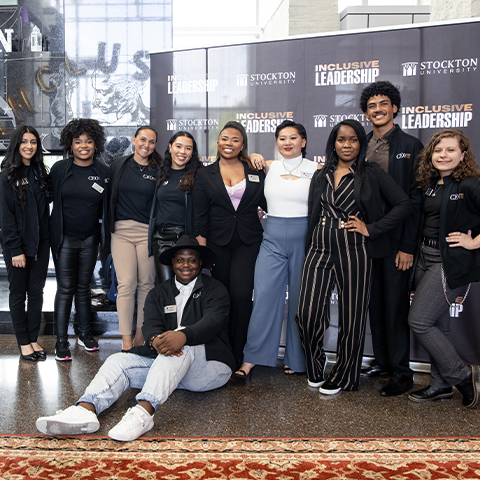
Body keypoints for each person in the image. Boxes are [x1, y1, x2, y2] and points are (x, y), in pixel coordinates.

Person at [36, 235, 235, 442]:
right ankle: (86, 408)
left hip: (209, 368)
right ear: (173, 263)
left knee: (180, 345)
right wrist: (155, 340)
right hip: (168, 371)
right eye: (180, 260)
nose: (186, 265)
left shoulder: (215, 289)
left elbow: (212, 322)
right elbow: (150, 326)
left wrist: (183, 335)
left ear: (200, 263)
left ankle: (142, 413)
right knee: (118, 360)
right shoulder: (159, 293)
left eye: (192, 260)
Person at [296, 119, 412, 395]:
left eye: (353, 140)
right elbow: (314, 212)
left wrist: (371, 229)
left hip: (355, 248)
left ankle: (345, 375)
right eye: (341, 139)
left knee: (352, 316)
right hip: (319, 247)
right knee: (307, 314)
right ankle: (316, 364)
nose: (346, 145)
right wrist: (309, 244)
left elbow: (405, 204)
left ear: (361, 144)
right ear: (333, 143)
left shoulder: (370, 173)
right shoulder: (320, 174)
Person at [236, 120, 320, 378]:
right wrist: (254, 155)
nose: (287, 143)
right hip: (271, 238)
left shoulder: (318, 169)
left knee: (299, 301)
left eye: (293, 138)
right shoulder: (267, 166)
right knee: (263, 297)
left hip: (304, 238)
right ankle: (253, 358)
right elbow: (243, 160)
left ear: (303, 142)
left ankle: (297, 359)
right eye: (282, 138)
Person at [359, 81, 423, 397]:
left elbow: (415, 201)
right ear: (366, 112)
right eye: (372, 105)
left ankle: (402, 372)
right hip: (368, 240)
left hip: (397, 241)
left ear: (394, 107)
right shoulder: (361, 146)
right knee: (376, 306)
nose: (378, 109)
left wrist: (408, 247)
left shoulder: (411, 145)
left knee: (396, 308)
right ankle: (383, 362)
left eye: (384, 103)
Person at [407, 129, 480, 408]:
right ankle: (441, 386)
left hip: (448, 261)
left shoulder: (470, 184)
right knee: (438, 324)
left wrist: (472, 242)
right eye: (438, 150)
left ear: (463, 155)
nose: (443, 155)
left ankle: (462, 373)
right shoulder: (429, 184)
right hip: (424, 256)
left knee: (419, 321)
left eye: (450, 150)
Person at [193, 121, 266, 367]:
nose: (229, 144)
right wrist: (203, 255)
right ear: (217, 142)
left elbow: (269, 200)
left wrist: (259, 159)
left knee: (242, 296)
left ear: (242, 144)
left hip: (248, 241)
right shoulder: (205, 174)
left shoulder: (255, 170)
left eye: (235, 140)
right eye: (225, 139)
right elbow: (200, 217)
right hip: (217, 244)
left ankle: (240, 352)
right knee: (220, 298)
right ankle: (220, 353)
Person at [50, 119, 111, 361]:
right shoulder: (59, 170)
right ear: (70, 144)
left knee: (84, 289)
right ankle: (61, 340)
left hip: (90, 240)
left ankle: (84, 333)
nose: (83, 146)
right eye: (78, 141)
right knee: (65, 289)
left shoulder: (104, 172)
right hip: (64, 239)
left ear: (96, 144)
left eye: (88, 141)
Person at [0, 126, 51, 361]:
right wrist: (15, 249)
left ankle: (33, 338)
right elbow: (5, 217)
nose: (29, 146)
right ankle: (23, 342)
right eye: (24, 142)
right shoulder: (7, 175)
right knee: (19, 293)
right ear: (16, 145)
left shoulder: (40, 172)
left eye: (33, 142)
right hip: (17, 247)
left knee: (37, 293)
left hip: (41, 245)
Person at [110, 126, 162, 350]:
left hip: (146, 233)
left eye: (151, 142)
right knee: (127, 284)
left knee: (147, 285)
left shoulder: (159, 169)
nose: (146, 145)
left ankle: (141, 334)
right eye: (143, 140)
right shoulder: (119, 165)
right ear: (133, 140)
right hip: (120, 232)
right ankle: (125, 340)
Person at [148, 131, 202, 284]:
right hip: (161, 239)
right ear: (170, 147)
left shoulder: (199, 175)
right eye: (178, 146)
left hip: (186, 239)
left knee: (187, 288)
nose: (182, 152)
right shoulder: (161, 173)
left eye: (188, 148)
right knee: (167, 288)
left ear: (192, 153)